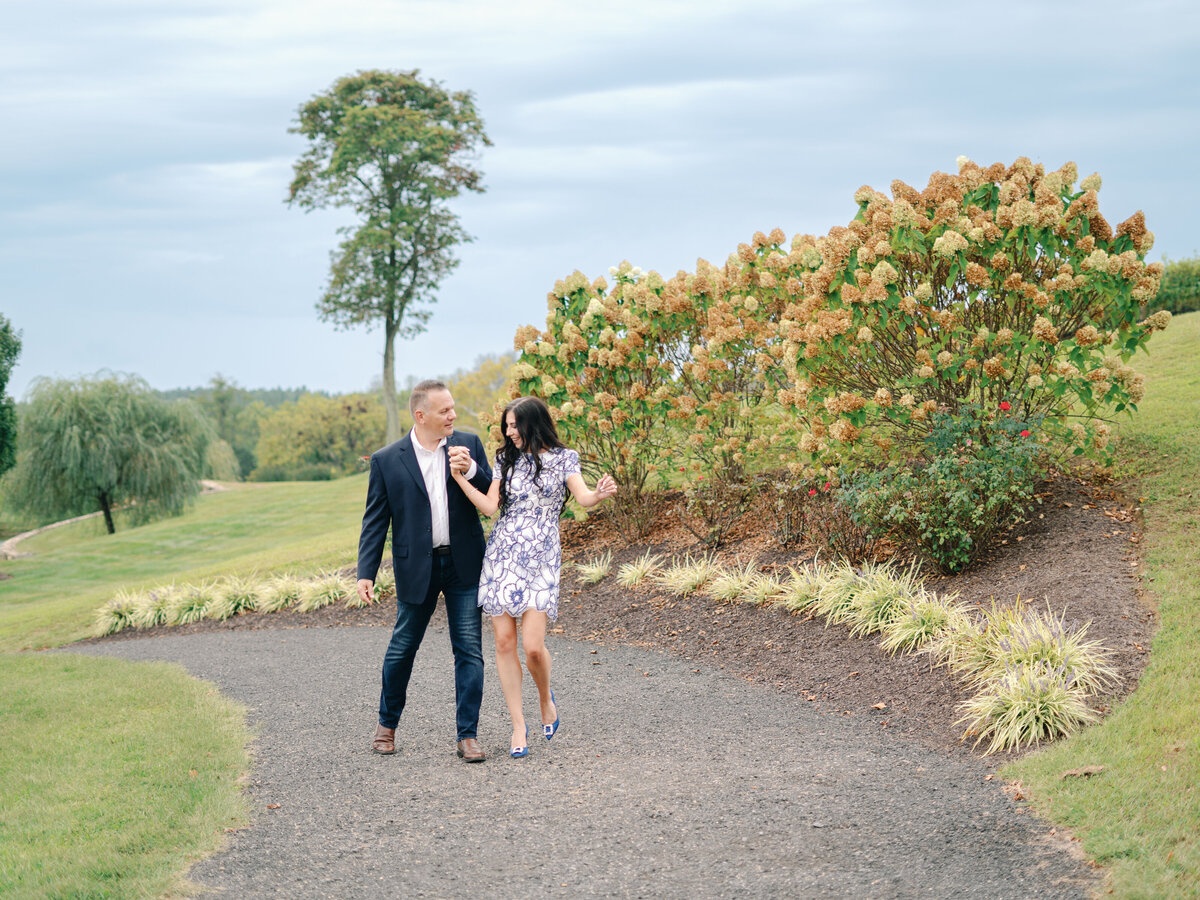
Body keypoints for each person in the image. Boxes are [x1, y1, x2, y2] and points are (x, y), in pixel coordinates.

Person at [450, 396, 617, 758]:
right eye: (506, 426)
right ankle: (518, 726)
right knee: (505, 644)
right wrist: (461, 479)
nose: (509, 433)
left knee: (533, 648)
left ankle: (546, 698)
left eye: (514, 425)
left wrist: (599, 494)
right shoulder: (504, 459)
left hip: (541, 559)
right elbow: (491, 507)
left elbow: (584, 497)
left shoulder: (563, 458)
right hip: (503, 557)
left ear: (533, 423)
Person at [356, 380, 494, 763]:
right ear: (421, 416)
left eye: (453, 408)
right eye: (444, 410)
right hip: (416, 566)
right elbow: (375, 520)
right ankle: (386, 725)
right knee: (402, 649)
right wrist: (365, 571)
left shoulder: (469, 444)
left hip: (465, 563)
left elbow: (492, 495)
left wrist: (473, 471)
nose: (453, 415)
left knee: (469, 651)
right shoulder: (387, 459)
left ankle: (468, 736)